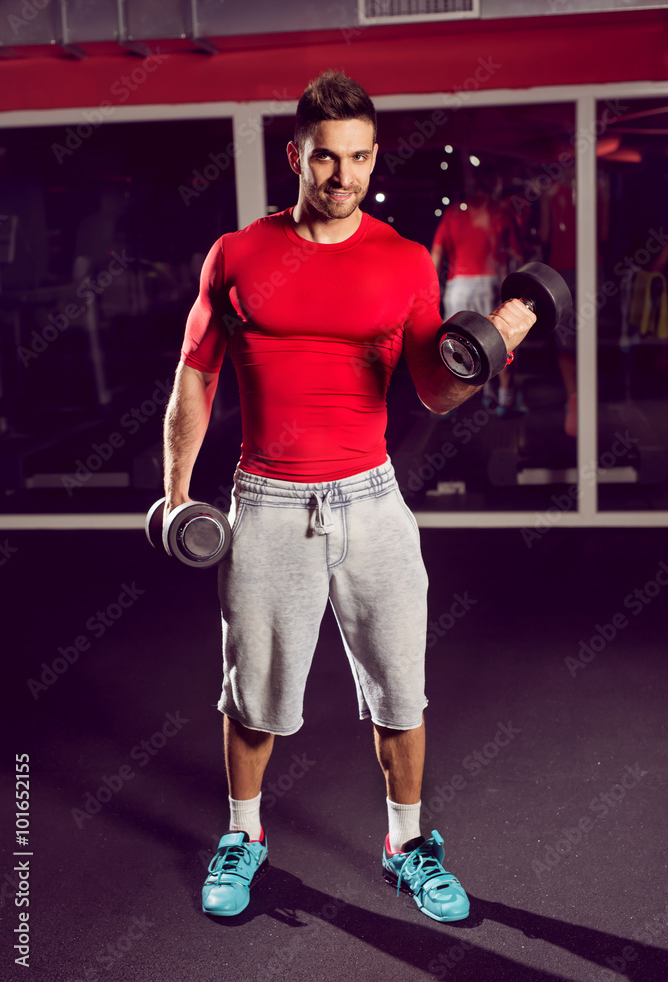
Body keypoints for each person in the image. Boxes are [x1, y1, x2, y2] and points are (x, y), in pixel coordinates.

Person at [162, 71, 534, 923]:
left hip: (371, 503)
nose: (343, 177)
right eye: (326, 159)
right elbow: (196, 373)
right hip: (266, 502)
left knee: (402, 692)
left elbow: (436, 390)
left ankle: (408, 846)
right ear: (296, 156)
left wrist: (497, 342)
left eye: (360, 158)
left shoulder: (403, 262)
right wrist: (176, 495)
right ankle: (244, 836)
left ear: (373, 157)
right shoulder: (238, 254)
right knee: (251, 694)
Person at [431, 182, 523, 414]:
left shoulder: (453, 212)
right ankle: (503, 399)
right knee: (500, 341)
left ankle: (446, 402)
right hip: (491, 284)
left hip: (459, 286)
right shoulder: (500, 212)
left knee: (457, 344)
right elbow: (516, 255)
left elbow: (437, 254)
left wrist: (432, 292)